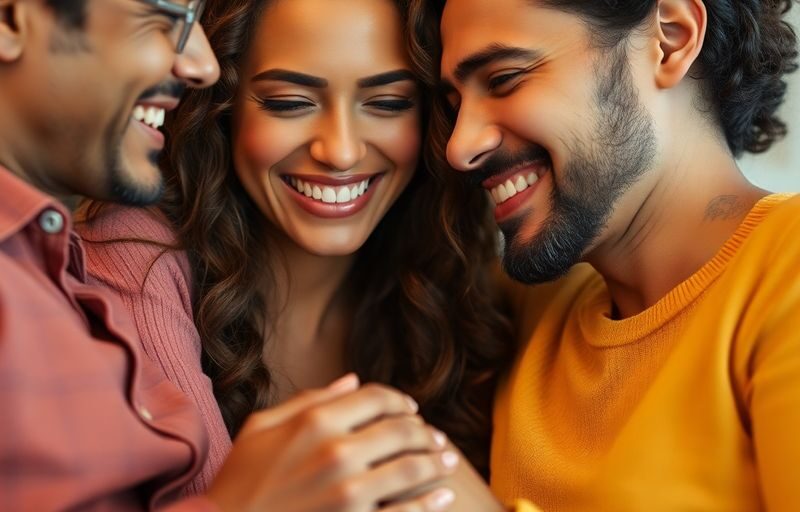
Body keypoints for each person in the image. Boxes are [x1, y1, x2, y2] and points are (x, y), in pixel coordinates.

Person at [0, 0, 467, 510]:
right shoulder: (132, 260)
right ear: (225, 108)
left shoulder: (460, 268)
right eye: (290, 102)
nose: (342, 152)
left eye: (389, 102)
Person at [407, 0, 800, 510]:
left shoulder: (783, 276)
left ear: (671, 39)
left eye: (505, 79)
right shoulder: (526, 312)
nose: (458, 147)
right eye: (455, 104)